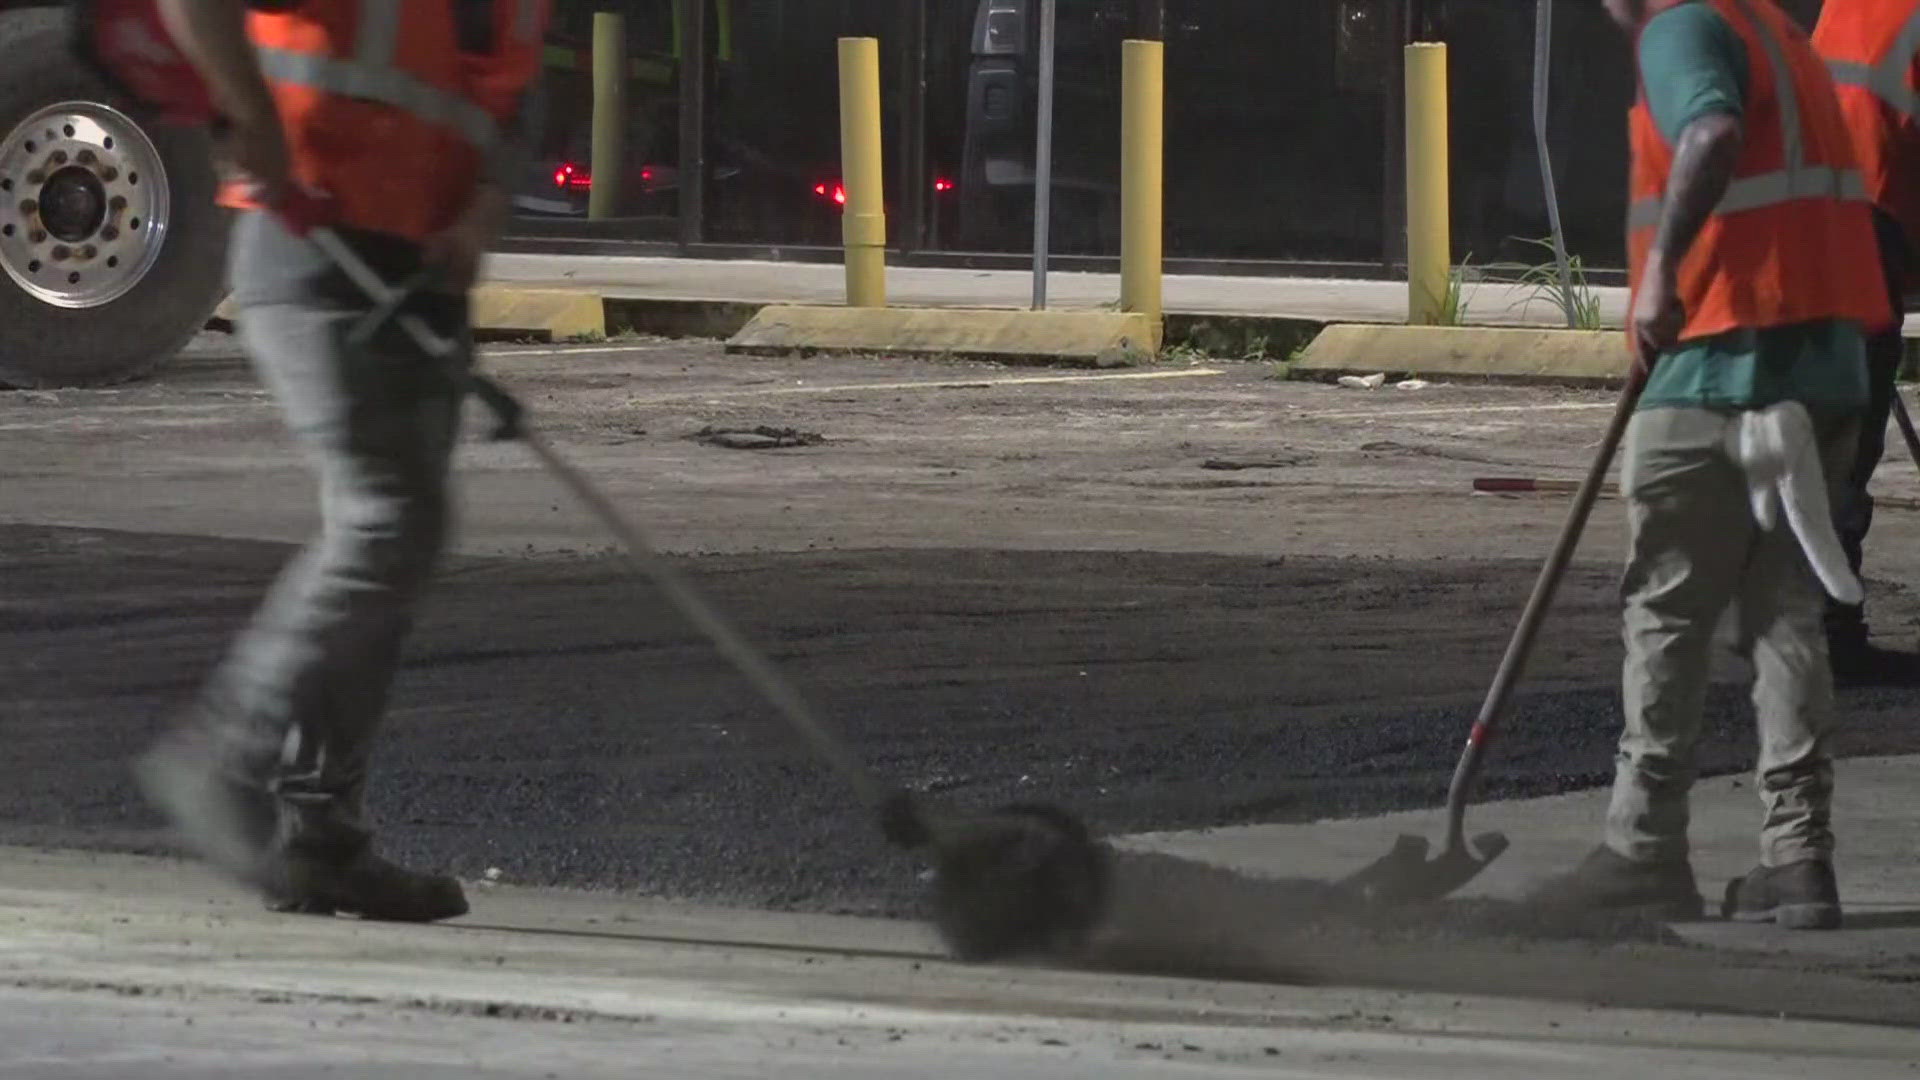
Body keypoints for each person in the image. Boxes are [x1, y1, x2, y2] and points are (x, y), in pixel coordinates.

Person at [135, 0, 549, 922]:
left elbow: (510, 117)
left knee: (393, 554)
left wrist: (476, 220)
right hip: (307, 245)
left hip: (415, 279)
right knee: (388, 522)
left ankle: (322, 839)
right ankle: (226, 758)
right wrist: (248, 113)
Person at [1533, 0, 1891, 930]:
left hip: (1717, 360)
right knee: (1785, 616)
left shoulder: (1682, 25)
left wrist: (1659, 279)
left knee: (1668, 606)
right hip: (1820, 366)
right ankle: (1799, 859)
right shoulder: (1780, 33)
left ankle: (1643, 848)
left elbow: (1713, 131)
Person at [1813, 0, 1919, 682]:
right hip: (1867, 225)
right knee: (1845, 439)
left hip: (1809, 214)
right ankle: (1827, 633)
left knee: (1825, 432)